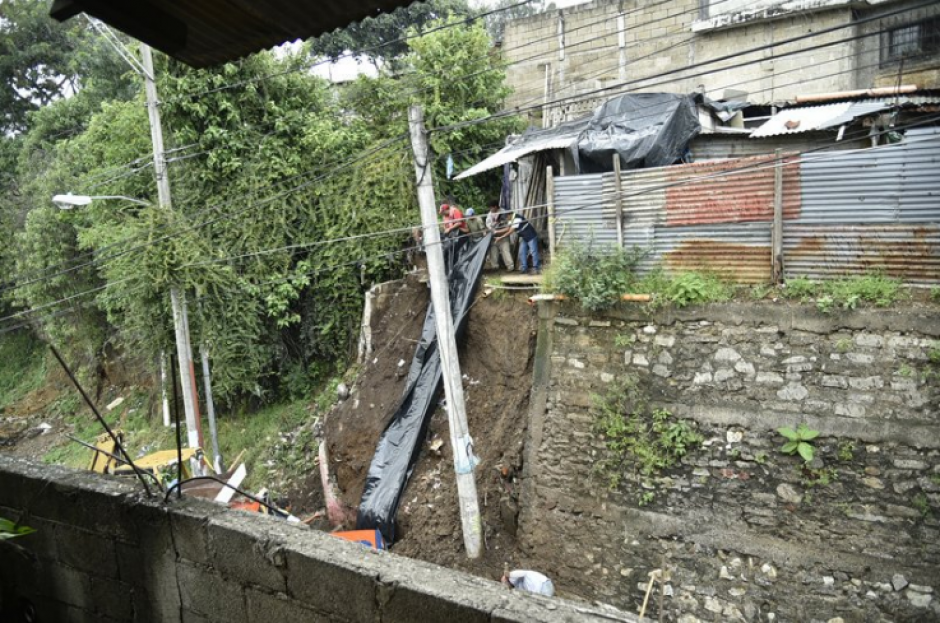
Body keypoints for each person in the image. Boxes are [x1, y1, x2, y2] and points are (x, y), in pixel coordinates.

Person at [497, 208, 540, 274]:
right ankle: (524, 268)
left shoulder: (517, 218)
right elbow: (507, 228)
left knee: (533, 252)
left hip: (531, 235)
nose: (506, 219)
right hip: (524, 237)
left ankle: (536, 268)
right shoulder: (510, 219)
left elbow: (511, 231)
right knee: (522, 252)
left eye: (506, 217)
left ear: (509, 215)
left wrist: (501, 237)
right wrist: (496, 231)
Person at [486, 200, 514, 271]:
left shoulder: (504, 213)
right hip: (494, 237)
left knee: (505, 251)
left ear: (495, 207)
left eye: (491, 208)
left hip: (503, 236)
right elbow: (488, 225)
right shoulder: (489, 214)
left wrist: (498, 232)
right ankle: (494, 267)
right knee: (493, 252)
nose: (490, 209)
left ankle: (510, 267)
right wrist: (493, 230)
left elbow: (508, 227)